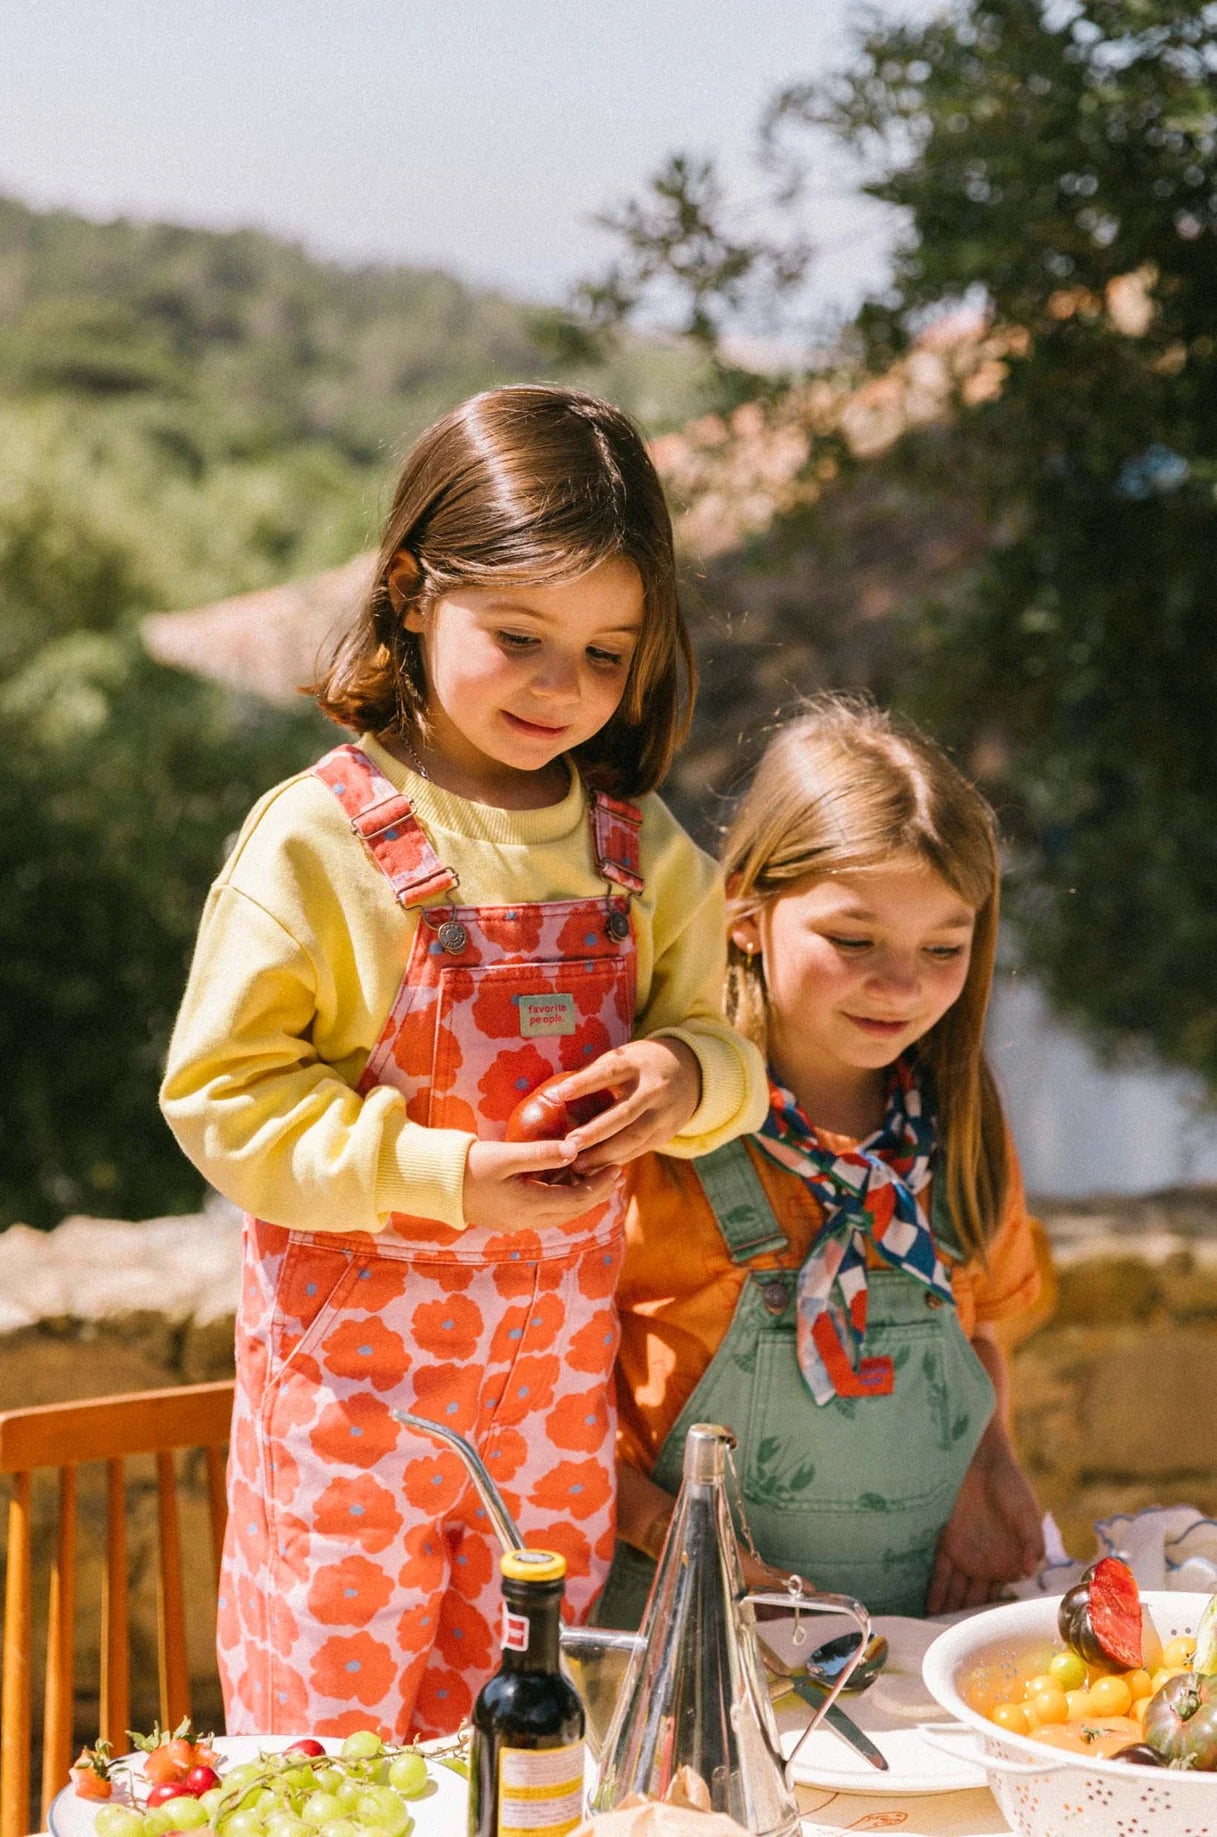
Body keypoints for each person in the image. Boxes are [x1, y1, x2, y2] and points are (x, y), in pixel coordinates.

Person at [160, 385, 766, 1740]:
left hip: (549, 1415)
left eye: (608, 653)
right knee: (338, 1754)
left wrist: (682, 1076)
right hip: (352, 1428)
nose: (566, 688)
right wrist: (445, 1174)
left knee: (523, 1734)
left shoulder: (637, 845)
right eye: (521, 637)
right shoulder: (319, 842)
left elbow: (734, 1045)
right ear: (409, 592)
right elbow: (223, 1100)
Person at [600, 695, 1047, 1630]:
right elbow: (549, 1392)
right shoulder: (664, 1129)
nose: (901, 984)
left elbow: (974, 1332)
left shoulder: (959, 1123)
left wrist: (989, 1463)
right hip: (684, 1628)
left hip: (908, 1633)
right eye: (853, 940)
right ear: (745, 917)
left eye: (943, 947)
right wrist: (664, 1531)